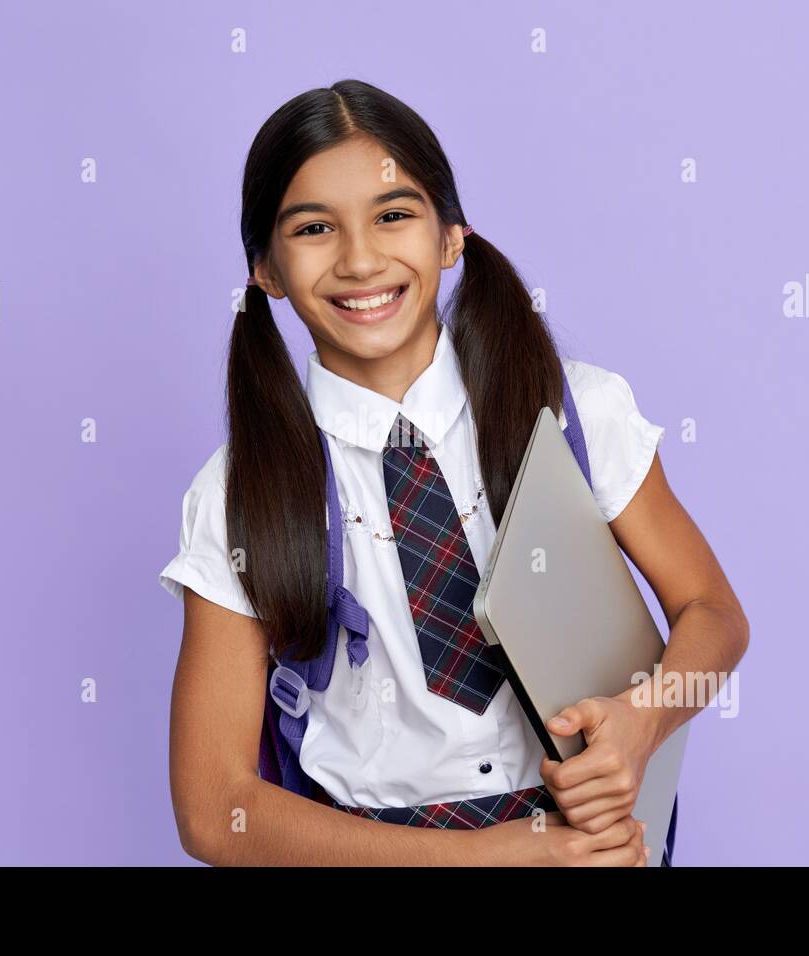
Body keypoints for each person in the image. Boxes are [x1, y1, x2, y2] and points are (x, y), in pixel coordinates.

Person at [160, 79, 749, 866]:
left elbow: (713, 611)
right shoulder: (239, 496)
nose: (361, 258)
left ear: (450, 236)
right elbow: (213, 809)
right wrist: (488, 858)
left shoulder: (573, 415)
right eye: (313, 228)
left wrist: (645, 719)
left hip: (591, 846)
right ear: (265, 268)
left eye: (394, 215)